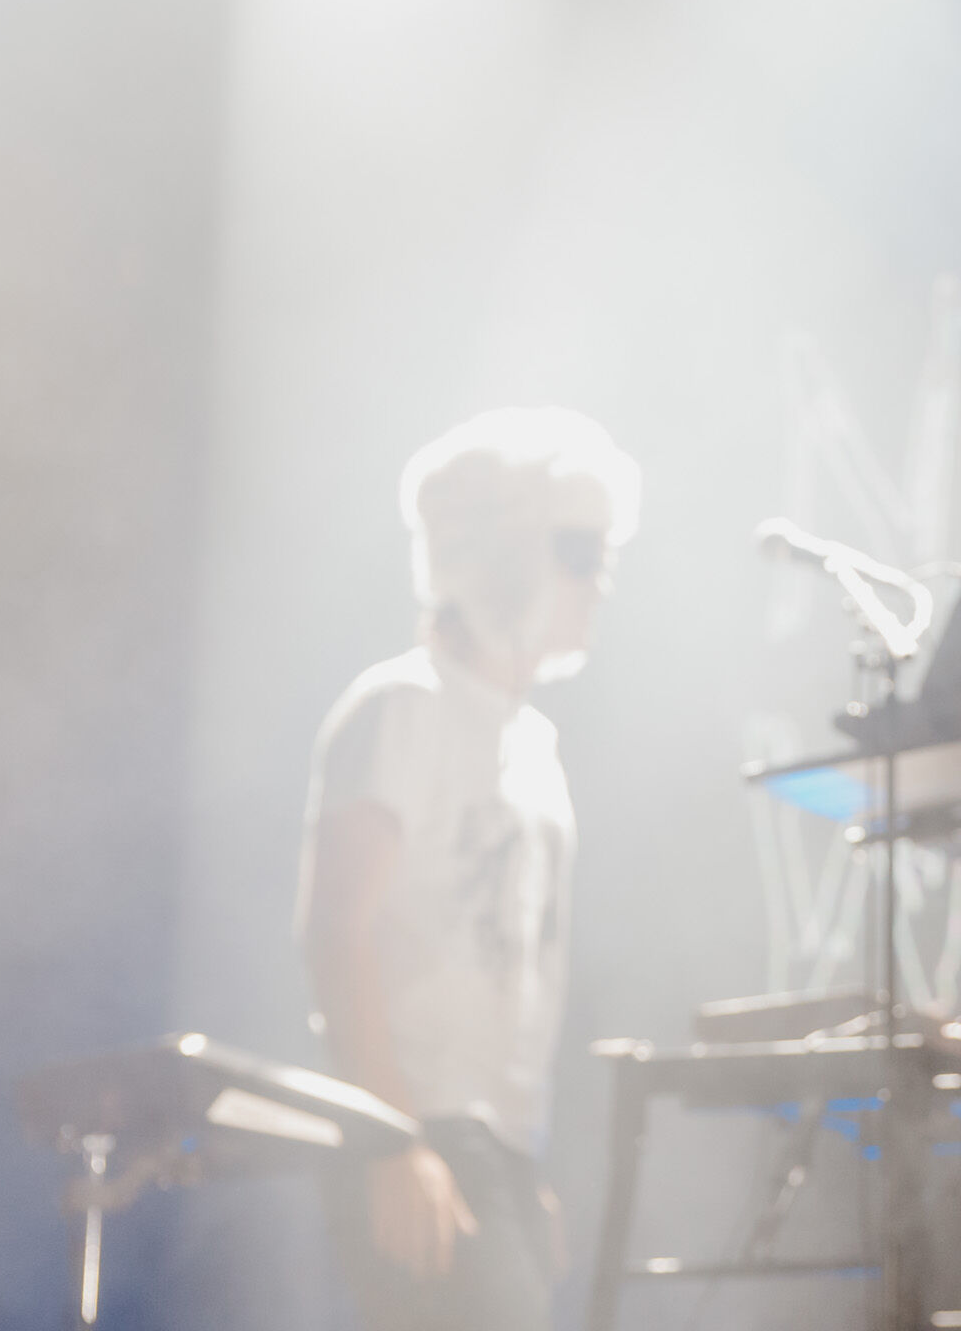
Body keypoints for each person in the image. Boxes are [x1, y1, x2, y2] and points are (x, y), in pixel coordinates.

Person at [296, 408, 641, 1331]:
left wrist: (521, 1172)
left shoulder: (535, 744)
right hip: (415, 1126)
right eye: (580, 553)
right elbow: (335, 930)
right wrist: (391, 1142)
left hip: (491, 1147)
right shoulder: (401, 705)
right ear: (505, 558)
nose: (601, 582)